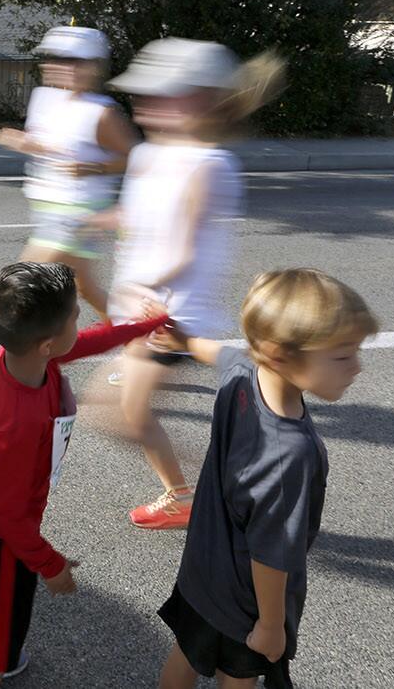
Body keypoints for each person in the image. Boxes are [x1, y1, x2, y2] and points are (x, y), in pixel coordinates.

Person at [0, 262, 168, 688]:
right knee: (0, 642)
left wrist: (141, 327)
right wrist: (50, 565)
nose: (79, 323)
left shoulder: (20, 358)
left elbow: (85, 343)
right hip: (2, 543)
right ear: (47, 343)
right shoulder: (19, 423)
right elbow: (10, 517)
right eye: (74, 315)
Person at [149, 268, 378, 689]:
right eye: (343, 355)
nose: (357, 367)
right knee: (239, 675)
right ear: (279, 354)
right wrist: (271, 625)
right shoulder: (290, 455)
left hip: (203, 566)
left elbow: (217, 353)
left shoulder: (244, 372)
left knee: (186, 650)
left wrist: (182, 340)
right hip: (246, 603)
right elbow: (270, 554)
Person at [94, 38, 286, 529]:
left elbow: (181, 249)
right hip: (138, 308)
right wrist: (100, 218)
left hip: (169, 314)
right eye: (143, 95)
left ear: (202, 100)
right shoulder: (147, 156)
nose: (144, 104)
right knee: (110, 412)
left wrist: (143, 288)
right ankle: (205, 489)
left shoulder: (208, 165)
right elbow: (139, 219)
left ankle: (199, 494)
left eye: (160, 95)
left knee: (125, 415)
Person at [0, 26, 139, 321]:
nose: (56, 66)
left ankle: (30, 358)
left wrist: (94, 167)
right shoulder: (45, 99)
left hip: (77, 214)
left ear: (92, 67)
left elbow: (137, 157)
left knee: (18, 287)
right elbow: (46, 144)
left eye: (70, 60)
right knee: (86, 289)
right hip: (47, 210)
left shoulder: (102, 113)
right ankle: (135, 337)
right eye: (53, 58)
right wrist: (24, 142)